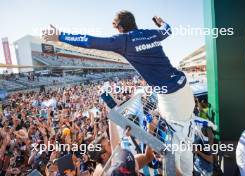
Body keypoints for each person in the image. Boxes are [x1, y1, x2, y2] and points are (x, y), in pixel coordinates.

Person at [43, 10, 195, 175]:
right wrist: (161, 22)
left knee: (173, 154)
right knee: (186, 136)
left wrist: (60, 36)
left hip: (171, 98)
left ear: (121, 28)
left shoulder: (124, 40)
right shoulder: (150, 33)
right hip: (184, 86)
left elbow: (90, 41)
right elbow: (168, 30)